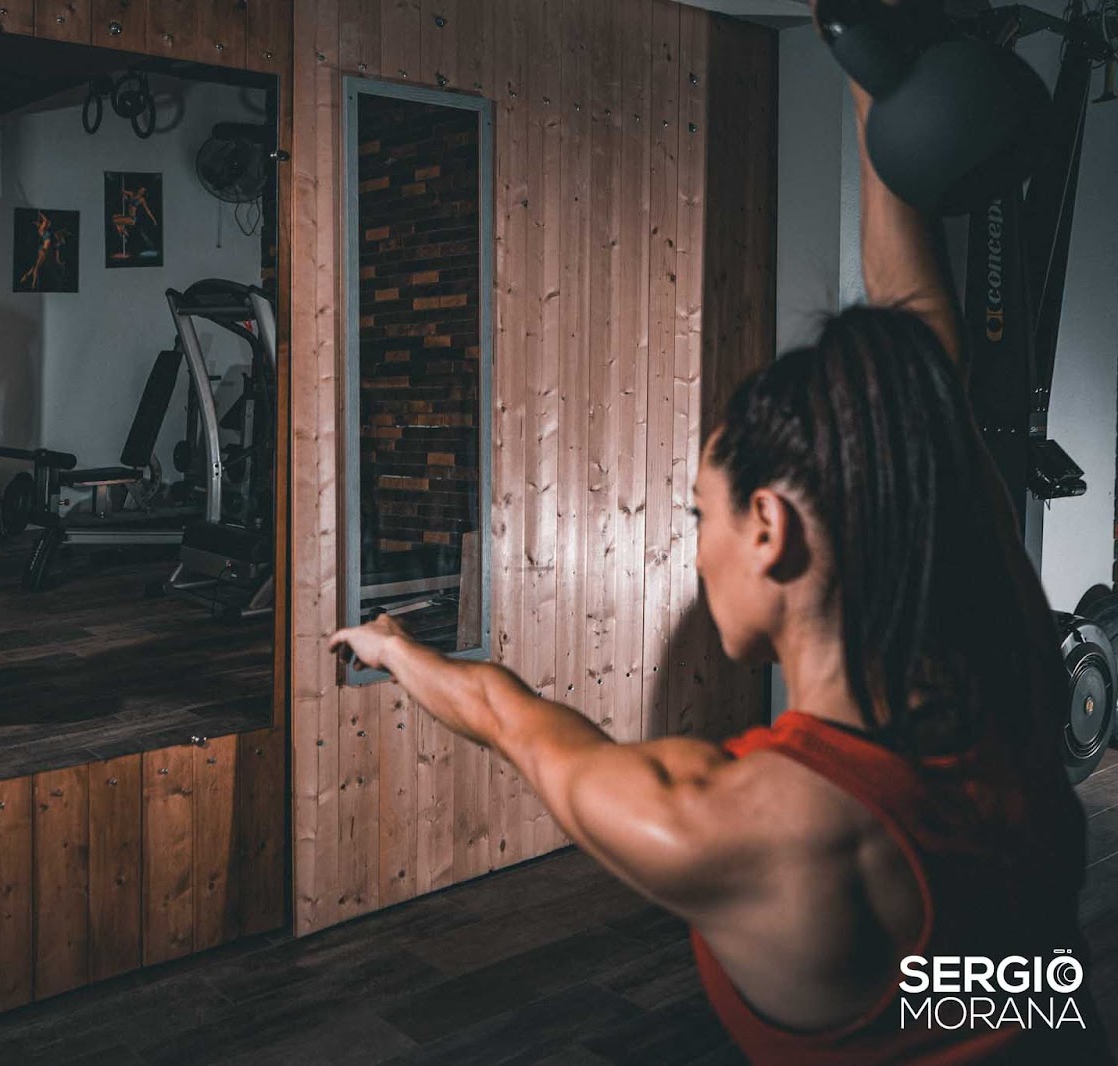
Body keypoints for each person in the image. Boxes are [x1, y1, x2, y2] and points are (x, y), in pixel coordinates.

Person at [330, 50, 1109, 1066]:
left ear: (768, 528)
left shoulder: (736, 827)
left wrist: (392, 647)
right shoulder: (1001, 650)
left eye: (700, 513)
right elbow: (917, 347)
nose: (694, 548)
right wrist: (870, 75)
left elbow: (511, 719)